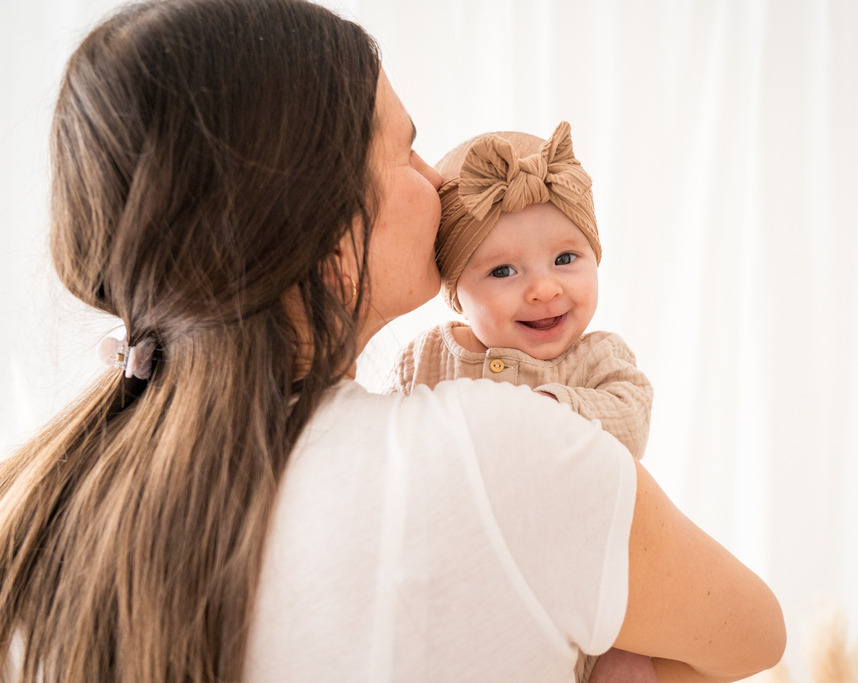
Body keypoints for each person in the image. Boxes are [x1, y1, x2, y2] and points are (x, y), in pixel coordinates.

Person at [0, 1, 786, 682]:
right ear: (336, 244)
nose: (437, 180)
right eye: (405, 150)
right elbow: (754, 632)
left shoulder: (35, 505)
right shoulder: (497, 453)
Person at [384, 122, 655, 682]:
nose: (544, 289)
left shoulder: (598, 359)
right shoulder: (426, 358)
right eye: (504, 271)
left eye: (566, 258)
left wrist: (559, 411)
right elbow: (386, 444)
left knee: (629, 655)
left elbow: (631, 418)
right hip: (462, 582)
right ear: (456, 294)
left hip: (579, 578)